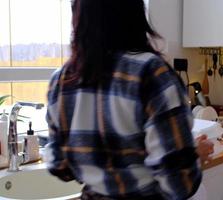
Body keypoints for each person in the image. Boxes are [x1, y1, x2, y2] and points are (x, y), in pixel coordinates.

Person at [45, 0, 213, 199]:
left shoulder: (62, 80)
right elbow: (178, 184)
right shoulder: (151, 73)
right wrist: (194, 157)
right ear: (134, 13)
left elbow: (59, 166)